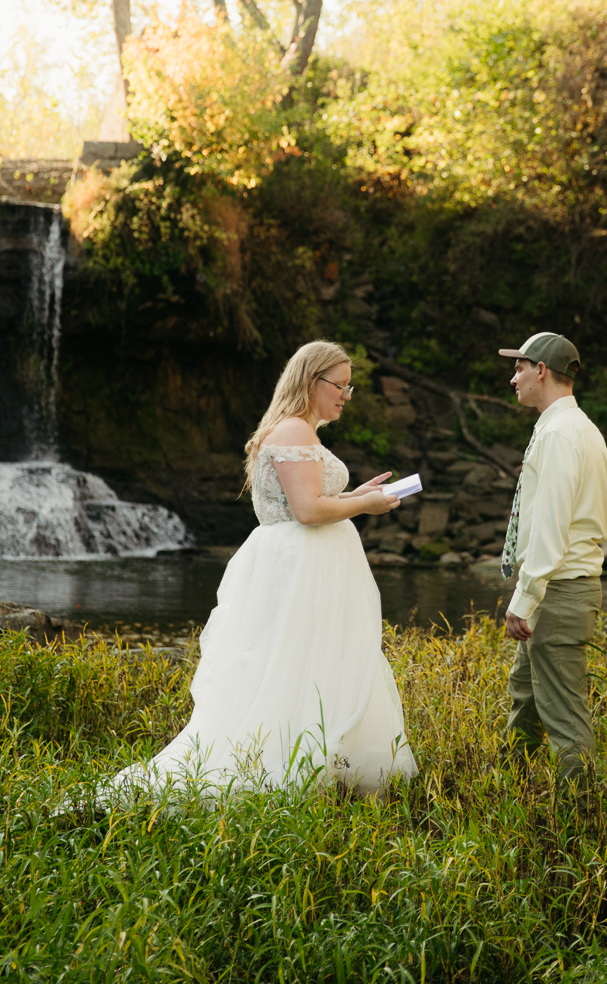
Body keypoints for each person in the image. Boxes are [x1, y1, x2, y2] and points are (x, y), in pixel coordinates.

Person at [102, 340, 418, 799]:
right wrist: (364, 505)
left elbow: (309, 503)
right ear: (311, 381)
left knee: (317, 662)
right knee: (288, 663)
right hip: (297, 567)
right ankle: (283, 766)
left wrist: (357, 496)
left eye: (351, 387)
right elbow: (307, 512)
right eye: (340, 386)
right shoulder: (292, 431)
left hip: (311, 564)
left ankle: (326, 762)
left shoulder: (301, 431)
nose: (347, 396)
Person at [498, 331, 607, 784]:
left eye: (519, 368)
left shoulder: (563, 434)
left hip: (559, 593)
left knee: (564, 718)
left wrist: (524, 599)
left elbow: (551, 526)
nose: (514, 379)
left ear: (541, 371)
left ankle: (584, 823)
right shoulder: (569, 428)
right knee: (524, 698)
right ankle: (510, 795)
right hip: (558, 588)